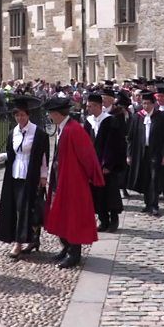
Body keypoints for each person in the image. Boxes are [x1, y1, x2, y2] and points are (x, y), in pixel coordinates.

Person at [43, 96, 105, 268]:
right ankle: (66, 247)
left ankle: (74, 253)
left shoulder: (74, 129)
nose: (49, 116)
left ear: (57, 114)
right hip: (60, 178)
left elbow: (87, 156)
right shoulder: (63, 128)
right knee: (61, 213)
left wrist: (90, 177)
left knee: (72, 216)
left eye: (50, 113)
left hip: (72, 181)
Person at [0, 96, 49, 259]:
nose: (20, 118)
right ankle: (23, 240)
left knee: (28, 208)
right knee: (16, 208)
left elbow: (43, 157)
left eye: (22, 115)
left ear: (28, 115)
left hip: (31, 175)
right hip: (14, 175)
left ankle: (24, 241)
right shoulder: (13, 132)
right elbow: (12, 153)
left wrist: (43, 176)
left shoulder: (38, 133)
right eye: (17, 115)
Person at [84, 93, 126, 232]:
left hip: (106, 165)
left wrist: (107, 164)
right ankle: (103, 220)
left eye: (90, 106)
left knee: (110, 192)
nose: (88, 108)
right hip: (93, 164)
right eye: (88, 106)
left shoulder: (110, 120)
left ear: (98, 106)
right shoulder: (88, 122)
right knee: (97, 193)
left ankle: (114, 220)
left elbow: (113, 145)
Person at [126, 91, 164, 217]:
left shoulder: (161, 117)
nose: (145, 106)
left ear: (153, 104)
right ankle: (147, 204)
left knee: (154, 178)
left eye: (147, 103)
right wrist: (129, 154)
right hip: (141, 152)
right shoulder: (137, 117)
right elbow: (130, 137)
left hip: (155, 151)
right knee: (145, 177)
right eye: (143, 103)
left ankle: (154, 205)